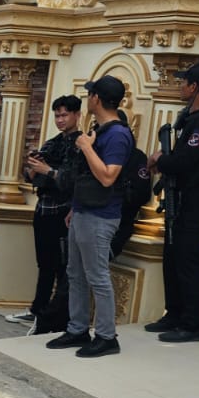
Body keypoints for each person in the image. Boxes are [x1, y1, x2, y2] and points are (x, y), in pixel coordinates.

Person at [46, 75, 133, 358]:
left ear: (97, 98)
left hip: (101, 215)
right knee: (76, 273)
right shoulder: (100, 129)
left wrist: (85, 146)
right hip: (84, 210)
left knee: (97, 276)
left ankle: (107, 336)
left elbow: (108, 176)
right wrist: (75, 206)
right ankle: (78, 327)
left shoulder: (118, 134)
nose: (88, 98)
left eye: (90, 94)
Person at [143, 62, 199, 343]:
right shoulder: (192, 118)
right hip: (180, 198)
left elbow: (185, 161)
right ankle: (175, 313)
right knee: (172, 255)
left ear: (194, 87)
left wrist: (160, 160)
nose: (180, 86)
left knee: (189, 259)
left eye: (184, 82)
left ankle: (194, 324)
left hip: (196, 199)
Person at [13, 95, 83, 329]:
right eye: (57, 115)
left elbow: (73, 181)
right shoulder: (52, 142)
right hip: (43, 208)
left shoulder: (80, 145)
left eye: (64, 115)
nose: (60, 120)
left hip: (64, 212)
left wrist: (48, 171)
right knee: (44, 264)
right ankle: (38, 309)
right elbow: (31, 173)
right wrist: (33, 171)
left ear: (77, 115)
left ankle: (55, 315)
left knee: (62, 266)